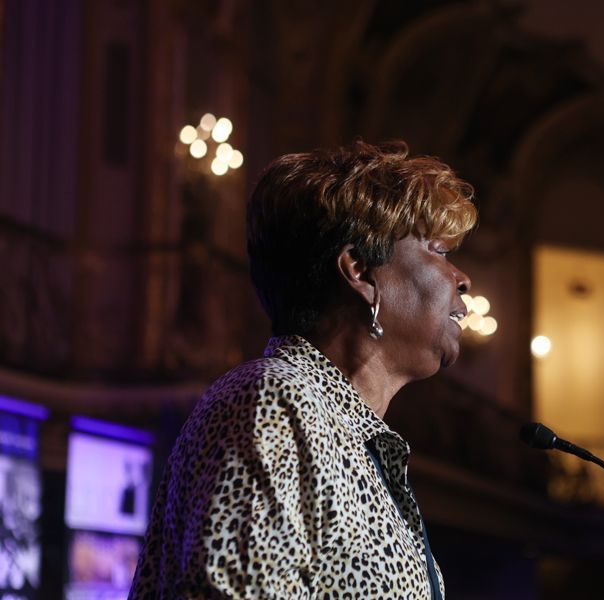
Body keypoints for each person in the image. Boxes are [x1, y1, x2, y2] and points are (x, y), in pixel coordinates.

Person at [129, 140, 476, 599]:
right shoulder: (273, 401)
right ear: (360, 272)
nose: (462, 279)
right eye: (437, 250)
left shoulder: (351, 437)